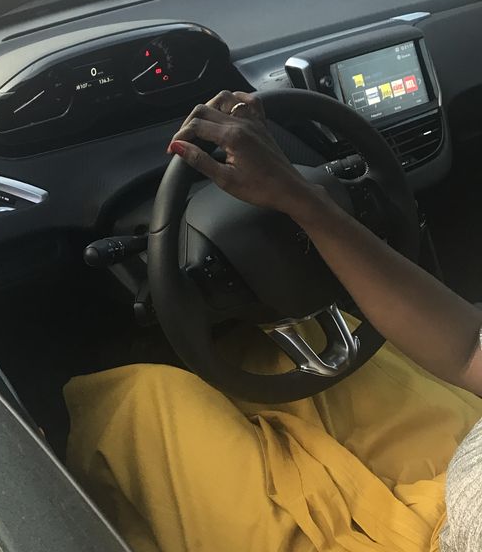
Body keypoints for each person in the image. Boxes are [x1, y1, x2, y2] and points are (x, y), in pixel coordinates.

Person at [64, 91, 482, 552]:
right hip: (456, 470)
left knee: (135, 403)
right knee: (289, 345)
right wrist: (302, 200)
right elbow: (469, 349)